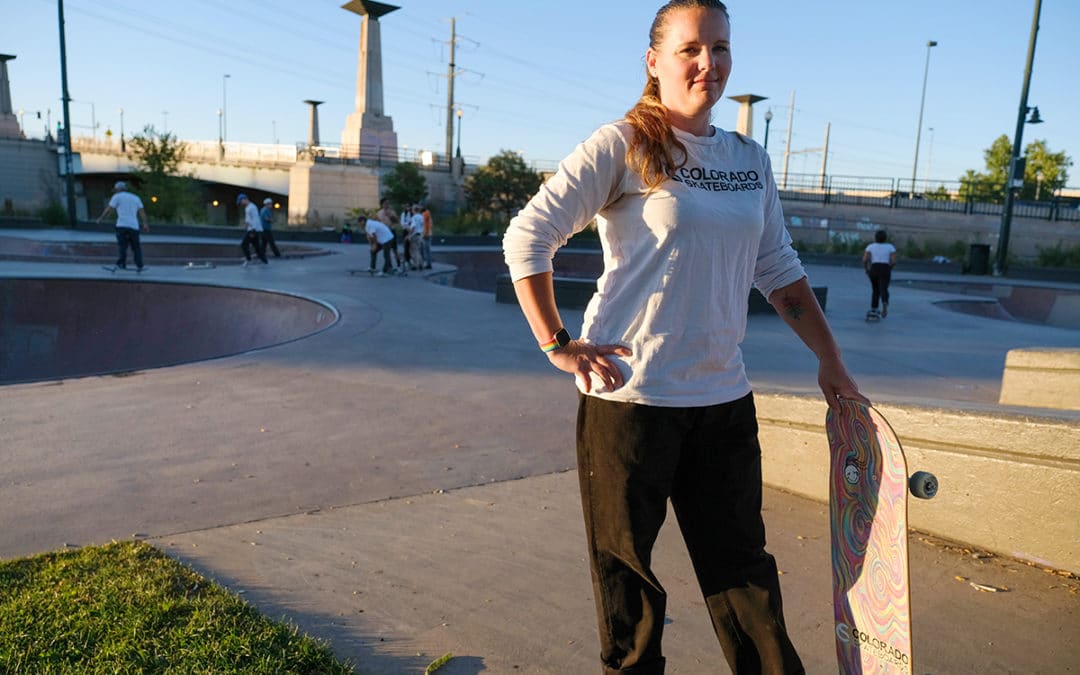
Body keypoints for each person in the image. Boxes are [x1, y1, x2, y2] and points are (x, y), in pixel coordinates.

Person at [502, 2, 867, 673]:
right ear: (654, 60)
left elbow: (779, 269)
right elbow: (528, 236)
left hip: (723, 400)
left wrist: (831, 359)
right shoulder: (624, 144)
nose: (710, 64)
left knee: (745, 572)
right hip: (630, 401)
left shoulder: (748, 159)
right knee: (629, 585)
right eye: (692, 49)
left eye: (722, 48)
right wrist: (557, 343)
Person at [96, 181, 149, 271]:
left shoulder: (117, 197)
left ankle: (121, 263)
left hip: (122, 225)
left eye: (116, 190)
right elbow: (142, 212)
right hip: (134, 226)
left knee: (122, 246)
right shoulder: (135, 198)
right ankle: (139, 265)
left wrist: (100, 218)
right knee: (136, 247)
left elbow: (109, 209)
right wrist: (145, 224)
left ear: (118, 189)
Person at [863, 230, 897, 318]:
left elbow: (865, 260)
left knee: (875, 289)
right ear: (885, 238)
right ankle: (885, 302)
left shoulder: (870, 246)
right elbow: (893, 261)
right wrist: (889, 269)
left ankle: (874, 308)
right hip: (885, 267)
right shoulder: (890, 247)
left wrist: (866, 269)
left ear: (875, 238)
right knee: (884, 287)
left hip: (874, 267)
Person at [237, 193, 268, 265]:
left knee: (244, 244)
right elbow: (249, 219)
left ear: (244, 199)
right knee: (256, 246)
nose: (241, 204)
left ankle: (249, 260)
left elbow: (255, 219)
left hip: (254, 230)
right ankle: (264, 261)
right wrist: (246, 226)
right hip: (252, 229)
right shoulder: (247, 208)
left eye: (241, 202)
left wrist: (253, 230)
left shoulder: (252, 207)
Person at [376, 198, 404, 270]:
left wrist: (391, 216)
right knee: (386, 250)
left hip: (391, 232)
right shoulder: (379, 213)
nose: (387, 205)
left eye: (388, 203)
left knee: (394, 249)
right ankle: (389, 265)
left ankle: (398, 264)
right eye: (385, 203)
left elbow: (397, 221)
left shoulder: (392, 212)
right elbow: (378, 223)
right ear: (382, 204)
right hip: (383, 233)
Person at [420, 203, 434, 269]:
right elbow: (431, 224)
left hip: (426, 234)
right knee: (427, 250)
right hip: (428, 233)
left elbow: (425, 225)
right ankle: (428, 264)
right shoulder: (428, 213)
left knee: (424, 250)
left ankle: (425, 264)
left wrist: (425, 233)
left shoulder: (425, 214)